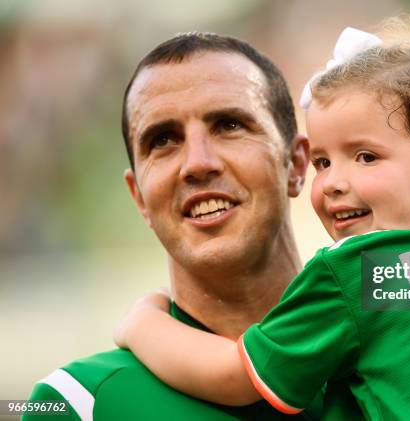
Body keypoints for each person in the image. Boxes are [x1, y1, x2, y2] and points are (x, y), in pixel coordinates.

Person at [114, 25, 410, 420]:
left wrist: (143, 325)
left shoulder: (364, 270)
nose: (333, 182)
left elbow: (239, 376)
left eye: (366, 157)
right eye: (323, 163)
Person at [25, 32, 361, 420]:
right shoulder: (77, 402)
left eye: (229, 125)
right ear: (139, 198)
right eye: (163, 139)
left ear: (297, 164)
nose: (198, 163)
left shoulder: (400, 341)